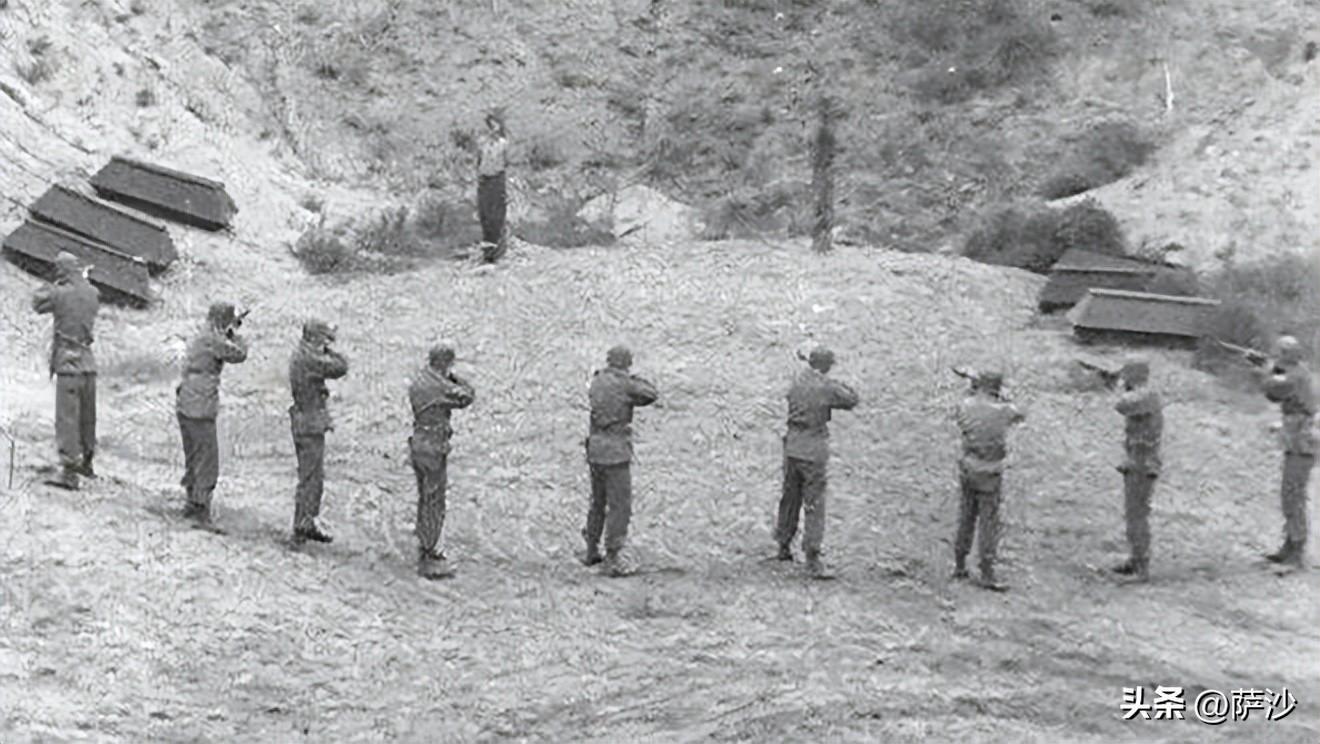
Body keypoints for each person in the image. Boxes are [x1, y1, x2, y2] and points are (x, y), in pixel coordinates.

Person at [776, 346, 859, 579]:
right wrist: (833, 380)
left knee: (790, 498)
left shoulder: (797, 380)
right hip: (813, 450)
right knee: (814, 503)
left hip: (792, 446)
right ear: (825, 366)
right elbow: (852, 399)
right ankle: (812, 557)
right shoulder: (826, 387)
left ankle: (783, 545)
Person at [583, 346, 657, 577]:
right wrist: (632, 378)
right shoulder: (625, 383)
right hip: (615, 452)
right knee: (619, 505)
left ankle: (591, 548)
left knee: (598, 501)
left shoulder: (598, 380)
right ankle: (613, 556)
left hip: (595, 449)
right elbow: (650, 394)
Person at [175, 302, 249, 532]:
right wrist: (234, 333)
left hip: (187, 399)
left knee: (194, 454)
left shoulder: (203, 334)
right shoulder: (213, 339)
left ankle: (192, 502)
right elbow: (240, 354)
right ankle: (201, 510)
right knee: (207, 458)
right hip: (201, 401)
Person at [32, 252, 100, 491]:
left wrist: (54, 282)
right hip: (88, 363)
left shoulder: (60, 293)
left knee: (67, 418)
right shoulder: (93, 293)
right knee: (87, 417)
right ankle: (87, 463)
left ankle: (70, 473)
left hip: (68, 363)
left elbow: (37, 303)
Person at [407, 344, 475, 579]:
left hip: (419, 441)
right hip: (434, 446)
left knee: (425, 496)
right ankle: (429, 555)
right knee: (434, 500)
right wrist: (454, 377)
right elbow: (467, 396)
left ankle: (425, 542)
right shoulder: (439, 385)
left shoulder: (420, 380)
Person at [953, 369, 1024, 591]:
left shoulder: (965, 406)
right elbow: (1020, 413)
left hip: (968, 467)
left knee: (966, 516)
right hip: (990, 472)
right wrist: (1004, 396)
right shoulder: (1003, 411)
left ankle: (959, 564)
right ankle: (987, 572)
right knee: (988, 522)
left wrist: (972, 389)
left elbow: (962, 410)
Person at [1252, 336, 1315, 570]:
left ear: (1288, 354)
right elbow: (1278, 379)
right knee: (1290, 494)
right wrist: (1268, 367)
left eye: (1280, 352)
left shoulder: (1295, 375)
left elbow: (1273, 391)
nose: (1276, 356)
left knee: (1293, 494)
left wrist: (1262, 370)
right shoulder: (1298, 370)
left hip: (1302, 439)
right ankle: (1289, 546)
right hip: (1297, 437)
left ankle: (1296, 551)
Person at [288, 319, 349, 544]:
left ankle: (306, 520)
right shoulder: (309, 358)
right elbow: (340, 367)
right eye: (324, 337)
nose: (327, 341)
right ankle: (304, 523)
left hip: (306, 419)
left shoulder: (303, 354)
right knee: (311, 478)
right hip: (310, 421)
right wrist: (330, 349)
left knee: (312, 476)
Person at [1112, 358, 1163, 582]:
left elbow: (1122, 406)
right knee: (1132, 515)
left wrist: (1112, 384)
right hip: (1136, 460)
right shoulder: (1144, 394)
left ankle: (1142, 567)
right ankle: (1135, 558)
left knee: (1137, 516)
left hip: (1143, 462)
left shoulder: (1146, 395)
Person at [476, 111, 509, 263]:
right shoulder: (482, 143)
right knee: (485, 214)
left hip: (497, 179)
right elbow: (478, 161)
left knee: (497, 215)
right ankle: (487, 251)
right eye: (490, 126)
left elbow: (506, 163)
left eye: (495, 126)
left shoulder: (503, 144)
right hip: (484, 180)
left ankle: (497, 250)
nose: (492, 129)